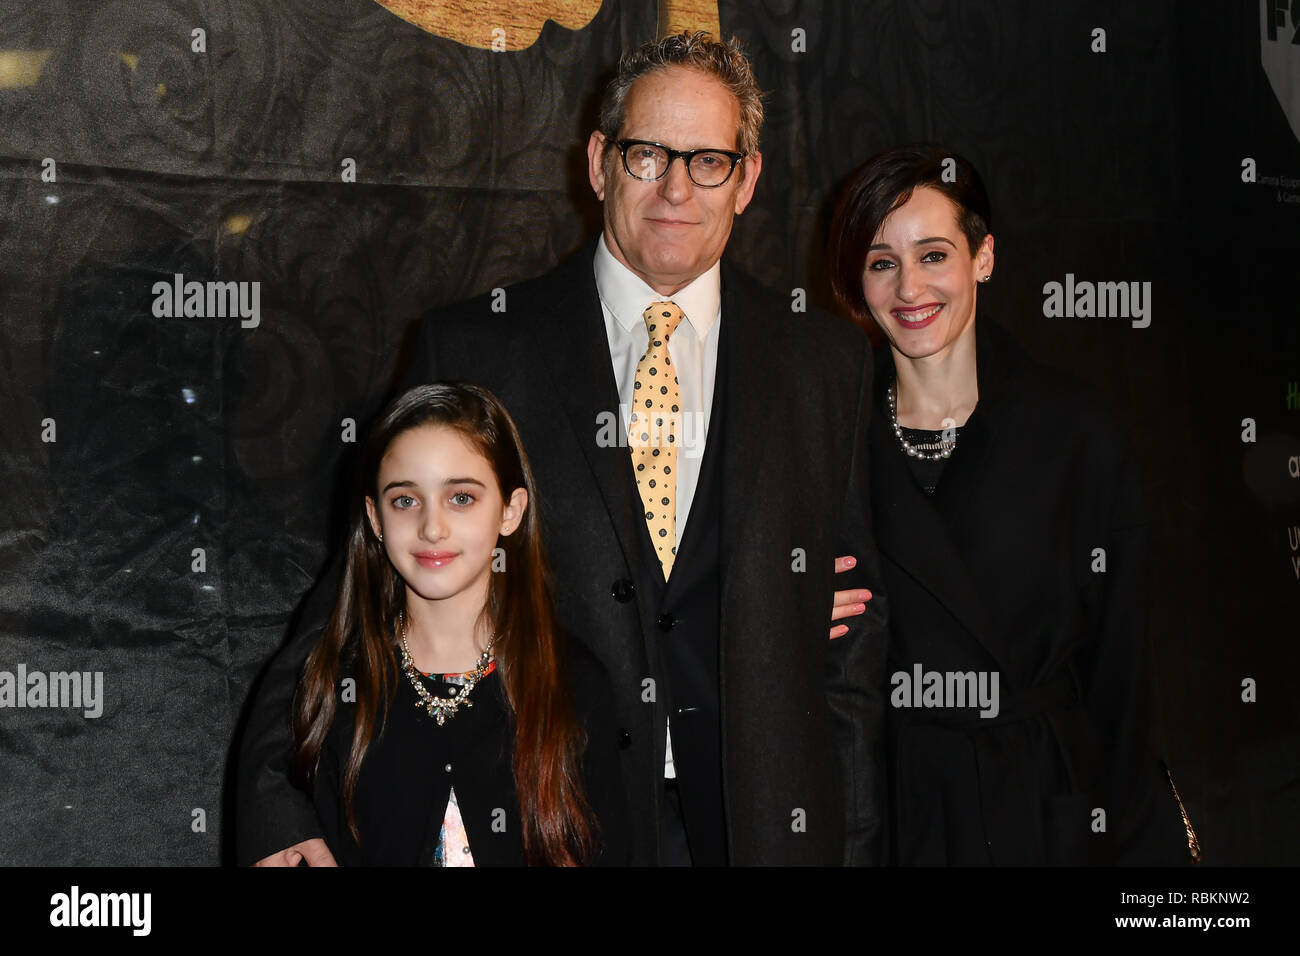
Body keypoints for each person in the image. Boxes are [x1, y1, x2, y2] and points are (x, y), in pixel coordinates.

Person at [238, 31, 889, 868]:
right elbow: (354, 595)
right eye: (648, 154)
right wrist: (274, 807)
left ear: (749, 179)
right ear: (599, 163)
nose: (676, 188)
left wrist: (860, 844)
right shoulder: (477, 347)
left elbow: (855, 666)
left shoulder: (825, 365)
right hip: (551, 824)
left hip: (763, 829)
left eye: (709, 162)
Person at [827, 144, 1198, 865]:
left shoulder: (1074, 429)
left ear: (984, 257)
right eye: (881, 262)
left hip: (1047, 803)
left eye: (934, 255)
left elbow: (1119, 672)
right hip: (902, 808)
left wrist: (1121, 834)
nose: (909, 287)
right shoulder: (827, 436)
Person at [291, 382, 627, 865]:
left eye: (461, 498)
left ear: (510, 512)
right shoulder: (339, 684)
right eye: (405, 500)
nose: (432, 527)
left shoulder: (573, 682)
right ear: (375, 518)